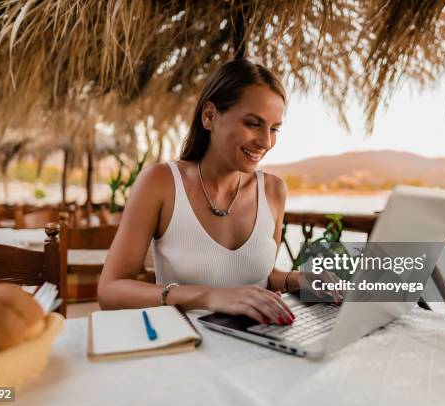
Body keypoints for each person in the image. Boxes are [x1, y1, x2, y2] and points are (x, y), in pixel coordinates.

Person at [98, 60, 300, 325]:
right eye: (253, 124)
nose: (266, 141)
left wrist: (296, 279)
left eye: (274, 129)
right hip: (185, 349)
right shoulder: (161, 182)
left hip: (260, 346)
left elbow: (262, 274)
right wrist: (210, 296)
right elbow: (110, 291)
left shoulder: (274, 190)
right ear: (209, 116)